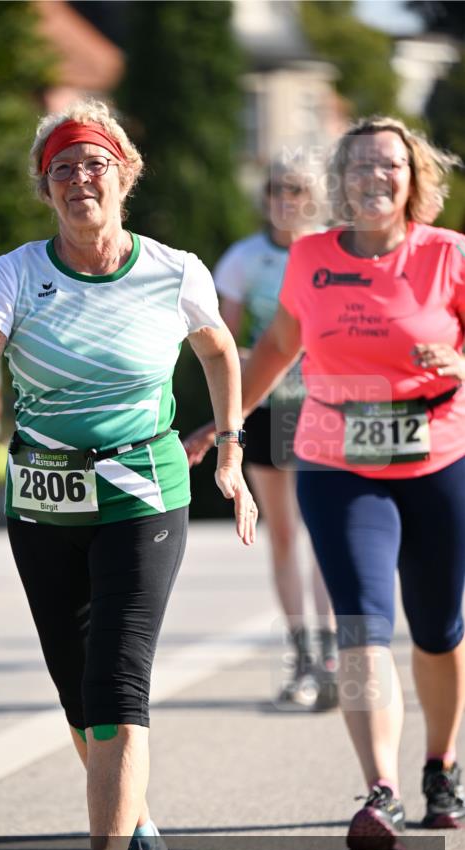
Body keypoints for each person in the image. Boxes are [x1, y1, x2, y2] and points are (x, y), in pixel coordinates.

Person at [0, 99, 258, 850]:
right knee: (76, 691)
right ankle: (136, 828)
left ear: (124, 173)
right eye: (61, 169)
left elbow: (217, 350)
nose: (77, 179)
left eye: (92, 163)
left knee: (117, 679)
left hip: (144, 488)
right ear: (46, 189)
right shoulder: (14, 272)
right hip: (43, 500)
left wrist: (230, 448)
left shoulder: (172, 270)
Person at [237, 116, 465, 850]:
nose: (374, 176)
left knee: (435, 629)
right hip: (336, 458)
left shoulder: (450, 257)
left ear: (413, 178)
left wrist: (459, 367)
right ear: (339, 181)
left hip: (439, 458)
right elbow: (277, 345)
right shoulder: (309, 257)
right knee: (361, 624)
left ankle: (439, 766)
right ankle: (380, 791)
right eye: (359, 165)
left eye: (389, 165)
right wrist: (223, 419)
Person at [184, 159, 338, 710]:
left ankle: (330, 654)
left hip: (326, 404)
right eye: (275, 190)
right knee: (283, 535)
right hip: (268, 403)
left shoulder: (331, 248)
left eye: (295, 190)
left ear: (314, 197)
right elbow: (221, 340)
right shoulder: (245, 258)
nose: (284, 200)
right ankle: (301, 654)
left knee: (327, 533)